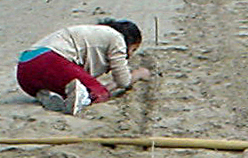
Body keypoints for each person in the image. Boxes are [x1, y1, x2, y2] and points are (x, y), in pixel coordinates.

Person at [16, 18, 151, 116]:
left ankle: (49, 95)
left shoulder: (93, 34)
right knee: (97, 94)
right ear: (130, 41)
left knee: (78, 88)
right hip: (49, 60)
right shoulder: (117, 39)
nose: (130, 55)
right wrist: (138, 74)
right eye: (133, 50)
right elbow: (123, 81)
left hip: (24, 72)